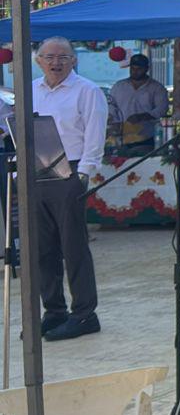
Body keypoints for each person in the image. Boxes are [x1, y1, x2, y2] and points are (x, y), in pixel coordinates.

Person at [29, 37, 107, 341]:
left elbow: (94, 135)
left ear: (73, 60)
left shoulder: (87, 90)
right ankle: (54, 310)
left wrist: (83, 174)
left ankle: (85, 314)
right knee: (42, 248)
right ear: (38, 60)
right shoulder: (31, 90)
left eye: (63, 57)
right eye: (49, 57)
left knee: (73, 246)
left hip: (70, 170)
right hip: (37, 170)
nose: (56, 62)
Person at [107, 52, 168, 155]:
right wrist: (112, 121)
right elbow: (111, 107)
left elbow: (162, 108)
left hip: (146, 137)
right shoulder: (118, 86)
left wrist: (144, 116)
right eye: (132, 69)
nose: (135, 72)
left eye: (139, 69)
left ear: (146, 69)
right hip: (121, 136)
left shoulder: (157, 88)